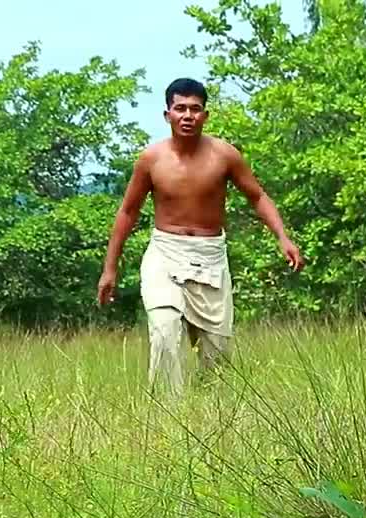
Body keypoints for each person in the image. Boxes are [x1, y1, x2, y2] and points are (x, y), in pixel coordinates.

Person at [96, 77, 304, 394]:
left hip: (210, 257)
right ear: (167, 115)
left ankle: (209, 415)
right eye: (180, 108)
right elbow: (128, 212)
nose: (188, 116)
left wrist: (283, 237)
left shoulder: (225, 155)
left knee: (216, 355)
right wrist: (110, 268)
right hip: (165, 253)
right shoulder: (151, 160)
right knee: (164, 330)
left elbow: (257, 196)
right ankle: (168, 413)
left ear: (205, 115)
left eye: (195, 109)